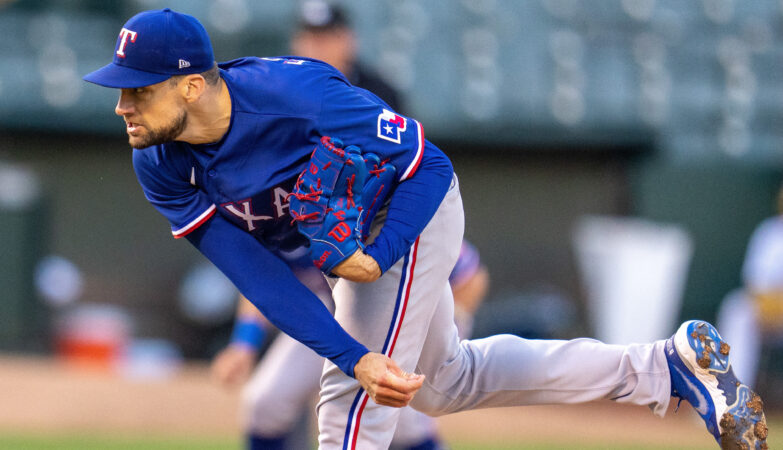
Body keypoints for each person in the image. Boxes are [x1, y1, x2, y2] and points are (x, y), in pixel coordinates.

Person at [83, 8, 767, 449]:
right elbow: (254, 272)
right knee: (442, 385)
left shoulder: (297, 98)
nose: (122, 106)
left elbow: (428, 164)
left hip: (406, 213)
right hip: (347, 258)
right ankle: (662, 368)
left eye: (137, 88)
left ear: (192, 86)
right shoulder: (160, 161)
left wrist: (377, 258)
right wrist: (352, 348)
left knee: (347, 412)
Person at [212, 241, 488, 450]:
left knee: (405, 425)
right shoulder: (274, 219)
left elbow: (471, 277)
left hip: (397, 326)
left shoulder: (379, 209)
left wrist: (439, 341)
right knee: (265, 401)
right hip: (329, 321)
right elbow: (261, 281)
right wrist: (243, 345)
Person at [717, 185, 783, 388]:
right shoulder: (771, 233)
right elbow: (755, 284)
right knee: (738, 309)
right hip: (771, 311)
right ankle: (731, 395)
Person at [290, 1, 402, 113]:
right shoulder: (284, 90)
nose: (318, 48)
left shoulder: (379, 94)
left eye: (327, 38)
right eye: (311, 38)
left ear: (348, 39)